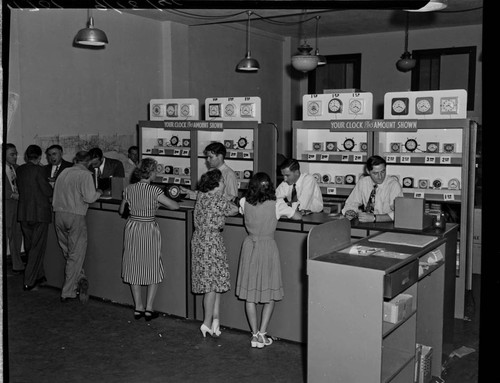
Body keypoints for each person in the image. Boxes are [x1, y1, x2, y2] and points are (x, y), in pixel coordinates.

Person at [235, 172, 301, 348]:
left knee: (250, 294)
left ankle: (254, 334)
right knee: (269, 290)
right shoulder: (277, 204)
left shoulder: (244, 202)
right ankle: (263, 334)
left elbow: (241, 211)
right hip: (268, 247)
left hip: (250, 246)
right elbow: (297, 216)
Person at [118, 158, 180, 320]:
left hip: (132, 228)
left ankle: (138, 307)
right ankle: (149, 308)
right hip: (148, 229)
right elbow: (174, 206)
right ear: (151, 172)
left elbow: (121, 210)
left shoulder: (128, 189)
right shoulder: (155, 191)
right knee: (152, 266)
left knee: (133, 266)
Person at [191, 168, 238, 337]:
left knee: (213, 282)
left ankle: (215, 321)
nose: (225, 184)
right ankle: (206, 322)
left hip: (200, 240)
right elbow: (233, 210)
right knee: (212, 285)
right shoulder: (218, 199)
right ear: (217, 184)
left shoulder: (201, 196)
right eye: (223, 181)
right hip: (212, 242)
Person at [52, 151, 103, 303]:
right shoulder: (86, 175)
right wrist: (99, 191)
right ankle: (67, 292)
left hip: (59, 215)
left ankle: (80, 278)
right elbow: (89, 197)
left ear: (75, 160)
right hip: (75, 216)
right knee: (76, 254)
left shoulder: (64, 172)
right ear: (88, 162)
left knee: (68, 252)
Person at [16, 144, 53, 291]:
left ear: (26, 157)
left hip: (24, 212)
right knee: (37, 248)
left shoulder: (20, 169)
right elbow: (47, 191)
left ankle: (40, 275)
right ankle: (29, 281)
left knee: (31, 246)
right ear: (39, 157)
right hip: (39, 213)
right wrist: (51, 185)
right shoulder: (40, 170)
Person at [342, 155, 404, 223]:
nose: (380, 176)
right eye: (375, 173)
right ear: (368, 171)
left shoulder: (394, 185)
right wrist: (350, 212)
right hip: (368, 223)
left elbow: (399, 213)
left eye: (383, 171)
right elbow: (351, 203)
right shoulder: (363, 182)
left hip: (388, 224)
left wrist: (375, 218)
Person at [4, 143, 24, 273]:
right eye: (12, 154)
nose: (15, 156)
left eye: (16, 153)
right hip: (5, 206)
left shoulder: (18, 168)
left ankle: (17, 264)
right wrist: (12, 194)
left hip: (17, 207)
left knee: (17, 236)